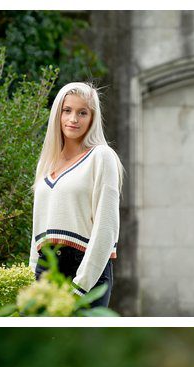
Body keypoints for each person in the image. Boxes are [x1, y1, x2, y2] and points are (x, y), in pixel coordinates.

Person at [30, 81, 123, 310]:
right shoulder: (46, 163)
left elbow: (106, 227)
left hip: (83, 269)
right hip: (46, 268)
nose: (73, 119)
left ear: (92, 118)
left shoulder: (101, 157)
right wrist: (30, 276)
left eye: (82, 113)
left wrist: (80, 285)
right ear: (57, 114)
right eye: (67, 110)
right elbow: (37, 229)